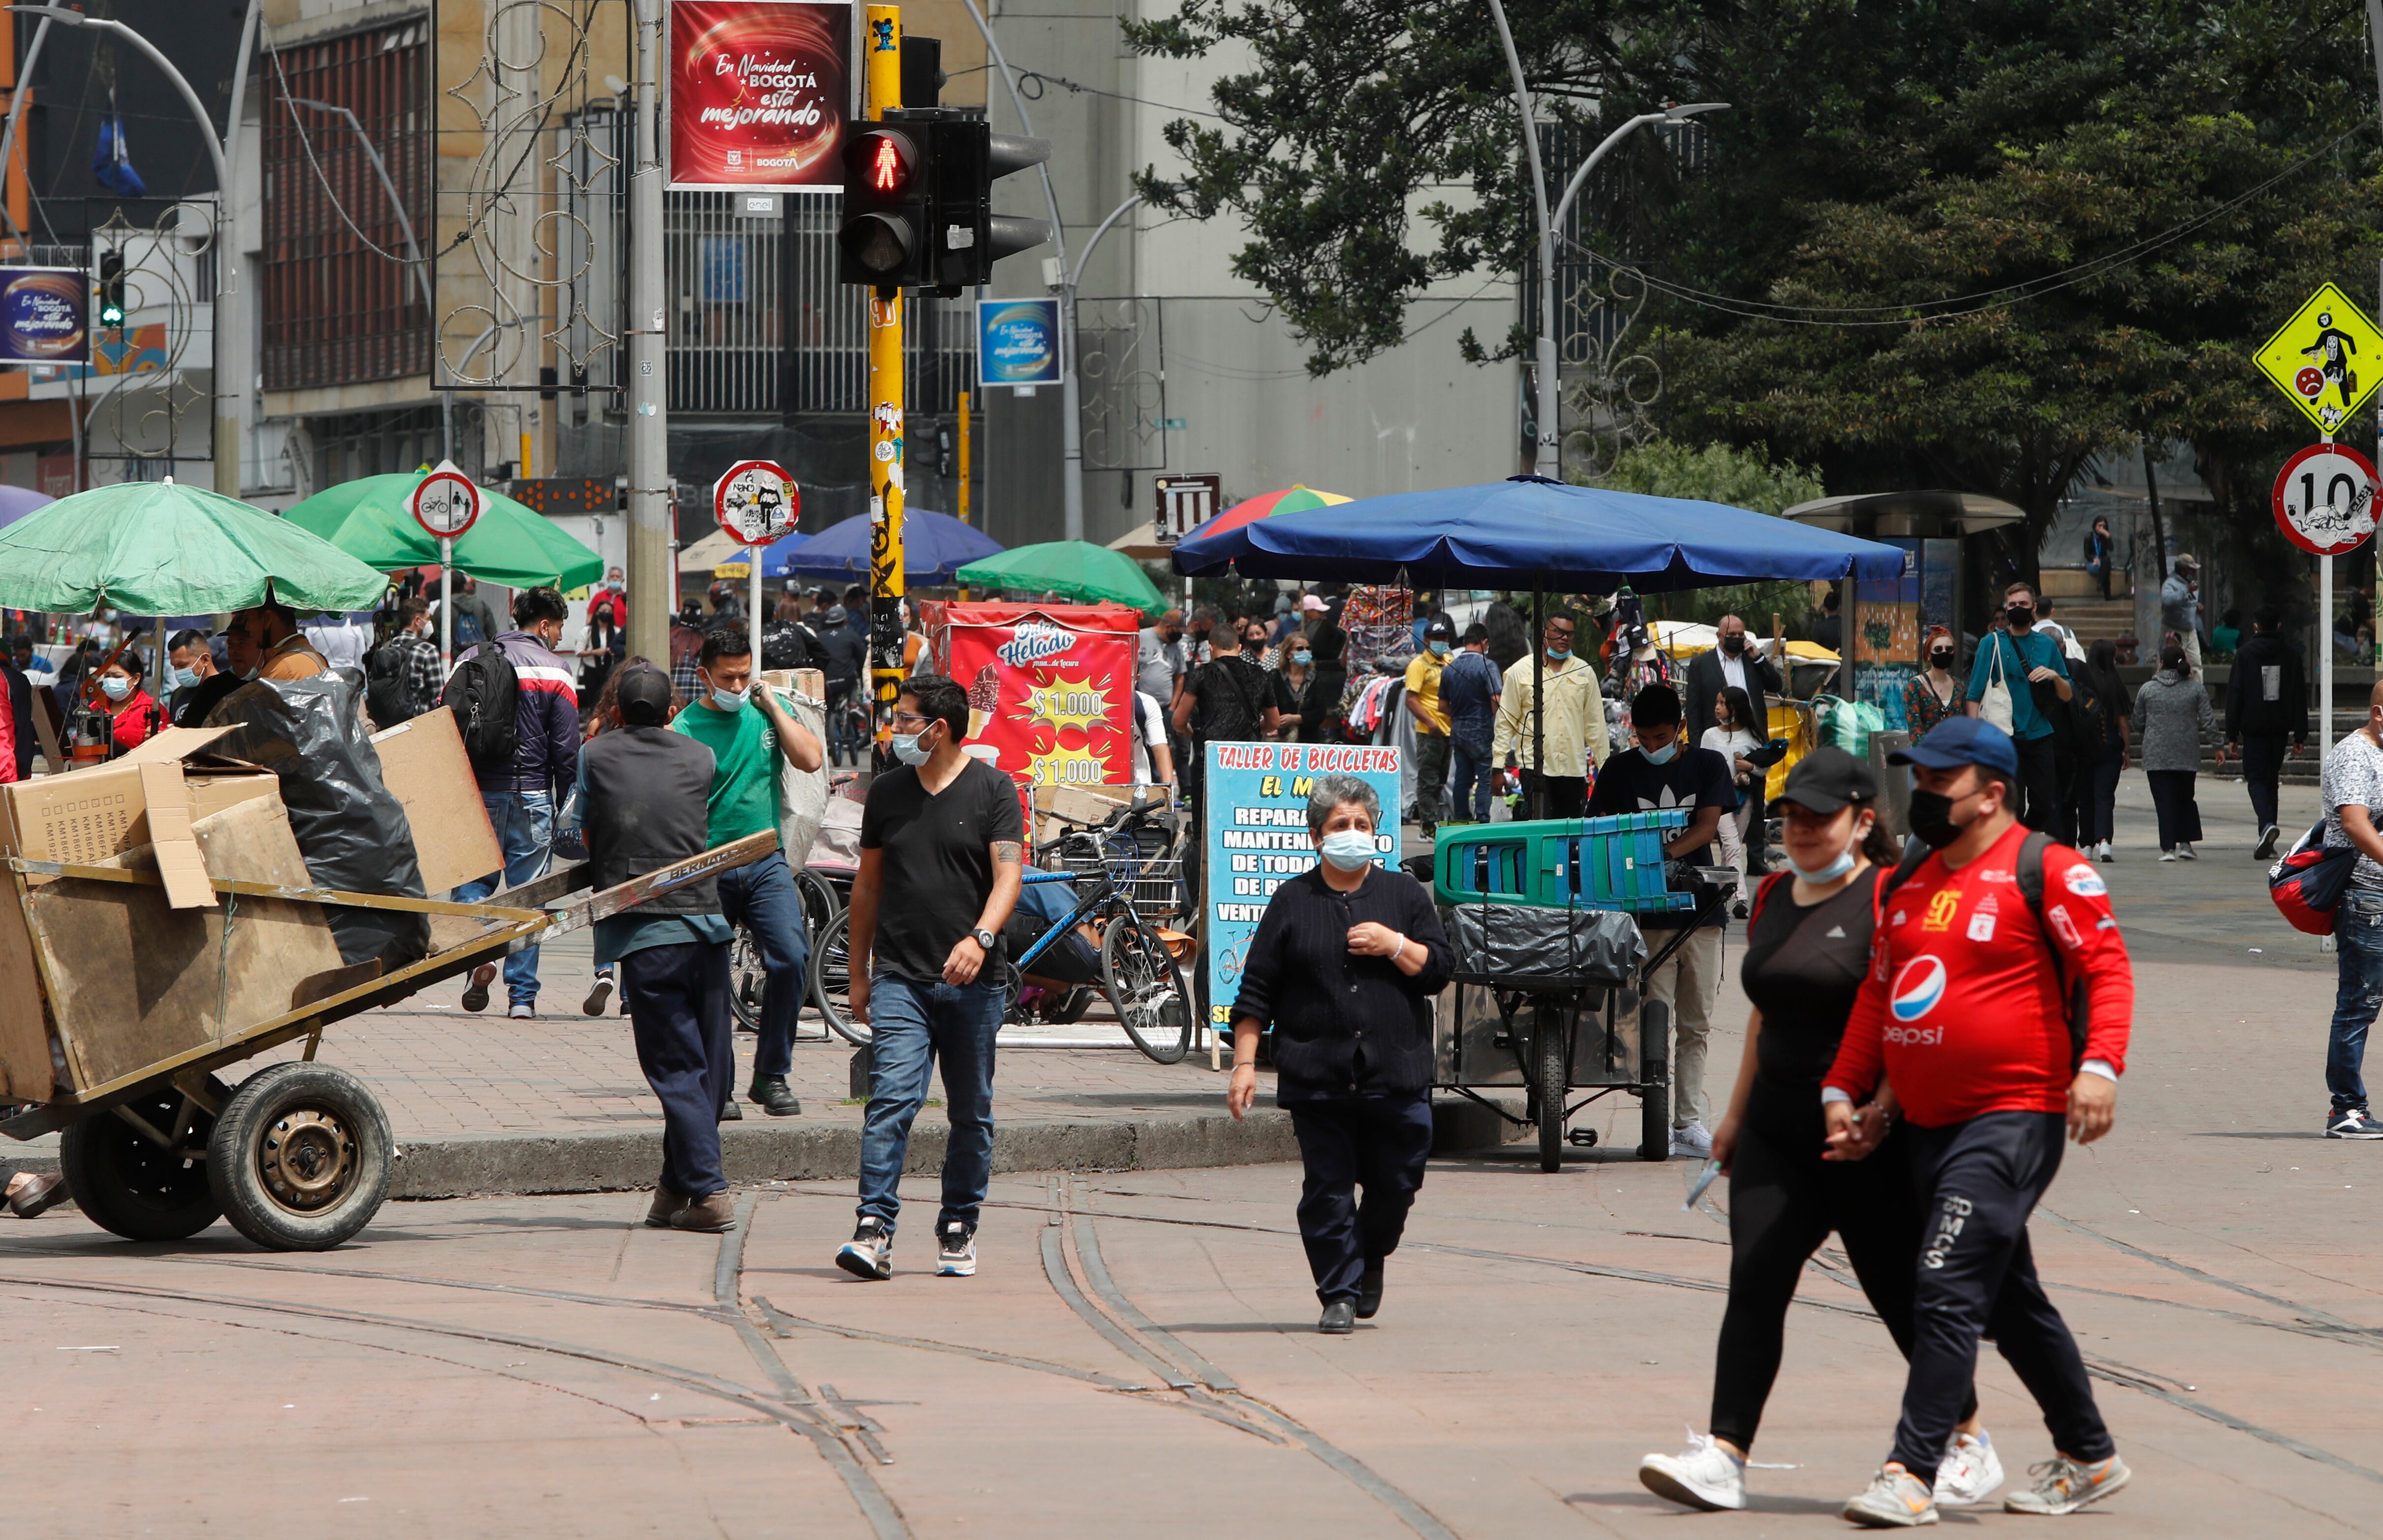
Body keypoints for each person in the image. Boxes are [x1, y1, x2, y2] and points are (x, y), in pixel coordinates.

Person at [1637, 750, 1999, 1514]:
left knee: (1896, 1293)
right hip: (1774, 1132)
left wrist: (1883, 1112)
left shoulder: (1891, 899)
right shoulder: (1773, 893)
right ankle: (1724, 1456)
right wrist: (1732, 1118)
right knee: (1755, 1281)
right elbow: (1763, 1018)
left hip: (1864, 1136)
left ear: (1862, 822)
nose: (1800, 831)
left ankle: (1967, 1438)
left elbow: (1915, 1016)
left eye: (1818, 818)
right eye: (1790, 817)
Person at [1823, 714, 2133, 1526]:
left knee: (1945, 1282)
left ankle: (1911, 1472)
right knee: (2008, 1299)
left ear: (1991, 794)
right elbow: (1878, 998)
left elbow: (2106, 970)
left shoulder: (2047, 869)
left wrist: (2098, 1067)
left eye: (1939, 783)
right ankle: (2090, 1454)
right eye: (1918, 780)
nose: (1922, 795)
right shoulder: (1908, 880)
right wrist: (1847, 1093)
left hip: (2013, 1117)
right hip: (1926, 1126)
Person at [1224, 774, 1450, 1333]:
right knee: (1327, 1190)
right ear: (1316, 836)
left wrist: (1395, 945)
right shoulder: (1292, 901)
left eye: (1362, 825)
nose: (1353, 833)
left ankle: (1370, 1252)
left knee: (1397, 1183)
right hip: (1317, 1077)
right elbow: (1257, 991)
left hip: (1397, 1073)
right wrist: (1245, 1065)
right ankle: (1339, 1293)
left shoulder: (1404, 896)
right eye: (1340, 825)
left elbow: (1439, 971)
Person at [836, 675, 1025, 1281]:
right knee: (891, 1099)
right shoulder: (887, 792)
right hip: (900, 976)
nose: (895, 730)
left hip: (976, 983)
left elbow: (1009, 877)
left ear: (938, 729)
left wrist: (980, 938)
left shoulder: (994, 789)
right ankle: (873, 1226)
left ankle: (958, 1223)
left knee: (971, 1110)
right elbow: (867, 886)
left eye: (905, 720)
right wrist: (858, 974)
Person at [577, 662, 740, 1234]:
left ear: (617, 712)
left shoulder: (595, 755)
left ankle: (708, 1192)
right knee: (708, 1071)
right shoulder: (701, 755)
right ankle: (675, 1190)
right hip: (706, 928)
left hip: (648, 934)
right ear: (673, 711)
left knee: (677, 1068)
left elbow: (584, 834)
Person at [674, 626, 825, 1118]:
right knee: (710, 977)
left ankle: (771, 1075)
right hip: (708, 867)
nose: (737, 686)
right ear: (705, 676)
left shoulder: (766, 714)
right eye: (727, 678)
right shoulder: (685, 729)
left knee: (791, 959)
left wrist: (774, 706)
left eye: (744, 676)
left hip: (764, 860)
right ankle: (718, 1084)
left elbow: (810, 759)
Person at [1587, 683, 1734, 1155]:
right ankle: (1658, 1122)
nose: (1652, 747)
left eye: (1662, 737)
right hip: (1647, 919)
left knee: (1696, 1025)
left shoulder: (1707, 765)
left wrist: (1663, 855)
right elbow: (1599, 829)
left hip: (1702, 915)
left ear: (1681, 729)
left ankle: (1688, 1124)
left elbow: (1707, 827)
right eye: (1644, 738)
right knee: (1654, 1023)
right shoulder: (1618, 770)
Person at [449, 587, 582, 1019]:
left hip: (478, 795)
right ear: (543, 625)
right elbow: (566, 749)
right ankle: (522, 998)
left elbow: (446, 722)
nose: (559, 636)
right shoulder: (557, 671)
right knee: (530, 898)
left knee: (472, 887)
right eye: (558, 628)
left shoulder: (471, 657)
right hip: (532, 796)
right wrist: (566, 804)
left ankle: (478, 958)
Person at [2319, 679, 2383, 1139]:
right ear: (2379, 714)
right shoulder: (2355, 755)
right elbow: (2355, 823)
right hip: (2367, 897)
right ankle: (2346, 1109)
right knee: (2360, 1002)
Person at [1963, 581, 2070, 832]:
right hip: (2003, 736)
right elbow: (1974, 695)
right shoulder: (1991, 643)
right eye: (2012, 605)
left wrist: (2055, 676)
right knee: (2013, 806)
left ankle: (2023, 837)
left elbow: (2067, 695)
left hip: (2040, 734)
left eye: (2023, 604)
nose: (2017, 608)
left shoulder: (2047, 645)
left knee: (2044, 803)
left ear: (2034, 609)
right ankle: (2016, 846)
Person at [1493, 611, 1608, 820]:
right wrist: (1497, 768)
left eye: (1569, 634)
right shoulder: (1520, 671)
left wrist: (1606, 769)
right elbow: (1505, 723)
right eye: (1558, 632)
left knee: (1571, 830)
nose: (1564, 638)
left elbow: (1596, 725)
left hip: (1573, 769)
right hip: (1534, 768)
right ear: (1544, 633)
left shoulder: (1584, 672)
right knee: (1541, 828)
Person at [2225, 606, 2308, 860]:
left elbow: (2236, 694)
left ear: (2256, 626)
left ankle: (2266, 825)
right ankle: (2268, 835)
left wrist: (2232, 734)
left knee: (2256, 779)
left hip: (2254, 728)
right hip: (2280, 728)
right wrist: (2300, 734)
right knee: (2271, 780)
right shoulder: (2291, 655)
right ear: (2279, 625)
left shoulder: (2245, 655)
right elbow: (2299, 694)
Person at [1172, 619, 1292, 783]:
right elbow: (1274, 722)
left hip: (1212, 756)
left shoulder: (1202, 674)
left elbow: (1179, 721)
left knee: (1209, 799)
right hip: (1248, 758)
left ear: (1211, 648)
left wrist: (1189, 731)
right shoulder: (1260, 674)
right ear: (1240, 648)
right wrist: (1253, 728)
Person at [2131, 644, 2217, 861]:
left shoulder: (2148, 689)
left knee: (2164, 801)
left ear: (2161, 663)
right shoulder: (2195, 689)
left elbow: (2138, 722)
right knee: (2186, 798)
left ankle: (2168, 848)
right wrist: (2218, 745)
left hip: (2156, 755)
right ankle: (2186, 844)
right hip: (2187, 753)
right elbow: (2208, 720)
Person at [1682, 614, 1783, 774]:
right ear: (1719, 636)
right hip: (1718, 742)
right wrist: (1698, 750)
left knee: (1754, 786)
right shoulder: (1701, 665)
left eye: (1741, 635)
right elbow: (1693, 710)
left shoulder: (1752, 661)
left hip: (1752, 739)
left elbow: (1776, 686)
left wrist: (1759, 659)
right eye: (1731, 635)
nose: (1737, 638)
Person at [1701, 685, 1764, 895]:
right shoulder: (1710, 736)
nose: (1717, 707)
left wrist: (1750, 767)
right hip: (1718, 798)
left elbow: (1764, 768)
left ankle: (1720, 893)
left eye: (1722, 703)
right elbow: (1702, 770)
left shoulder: (1752, 737)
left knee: (1732, 847)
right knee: (1732, 845)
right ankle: (1740, 896)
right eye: (1717, 703)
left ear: (1735, 708)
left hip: (1744, 798)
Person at [2073, 639, 2131, 863]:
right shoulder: (2116, 684)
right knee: (2105, 796)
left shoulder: (2083, 682)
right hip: (2111, 743)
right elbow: (2123, 722)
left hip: (2085, 746)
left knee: (2085, 797)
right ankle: (2105, 841)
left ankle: (2086, 845)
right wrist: (2127, 749)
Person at [1439, 623, 1501, 825]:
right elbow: (1496, 699)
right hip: (1483, 732)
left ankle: (1462, 819)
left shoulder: (1449, 669)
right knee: (1484, 779)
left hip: (1459, 732)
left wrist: (1459, 716)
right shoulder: (1488, 666)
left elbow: (1442, 706)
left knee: (1462, 780)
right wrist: (1495, 720)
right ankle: (1483, 820)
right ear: (1485, 642)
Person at [1403, 616, 1456, 836]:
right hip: (1429, 732)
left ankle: (1434, 821)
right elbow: (1411, 700)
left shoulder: (1450, 661)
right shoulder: (1418, 665)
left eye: (1444, 638)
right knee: (1428, 780)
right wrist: (1430, 721)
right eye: (1437, 638)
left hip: (1449, 730)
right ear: (1426, 641)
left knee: (1441, 780)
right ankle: (1428, 826)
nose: (1441, 642)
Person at [366, 601, 442, 728]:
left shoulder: (386, 648)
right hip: (418, 725)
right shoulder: (427, 650)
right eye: (428, 619)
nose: (430, 623)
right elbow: (437, 695)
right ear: (417, 621)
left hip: (388, 726)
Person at [221, 600, 330, 686]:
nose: (248, 627)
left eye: (250, 619)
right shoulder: (309, 655)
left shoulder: (282, 668)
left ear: (268, 619)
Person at [89, 649, 163, 752]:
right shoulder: (97, 707)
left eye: (117, 677)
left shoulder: (152, 708)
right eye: (107, 676)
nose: (110, 681)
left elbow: (166, 744)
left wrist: (155, 739)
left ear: (136, 678)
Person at [1905, 626, 1962, 740]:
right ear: (1929, 656)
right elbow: (1915, 730)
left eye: (1949, 649)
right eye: (1938, 649)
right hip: (1926, 750)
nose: (1944, 652)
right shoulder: (1915, 686)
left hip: (1955, 749)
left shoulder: (1959, 686)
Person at [1297, 625, 1348, 745]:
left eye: (1308, 649)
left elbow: (1320, 712)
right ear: (1288, 653)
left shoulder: (1314, 679)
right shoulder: (1276, 678)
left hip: (1309, 739)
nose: (1305, 652)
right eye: (1300, 649)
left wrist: (1298, 719)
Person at [2161, 555, 2203, 672]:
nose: (2195, 573)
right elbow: (2167, 601)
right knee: (2171, 662)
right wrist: (2186, 590)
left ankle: (2197, 684)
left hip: (2191, 630)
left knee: (2196, 664)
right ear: (2183, 571)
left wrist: (2198, 607)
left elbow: (2190, 603)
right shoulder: (2170, 584)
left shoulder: (2192, 584)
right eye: (2192, 570)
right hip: (2174, 630)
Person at [1136, 608, 1186, 707]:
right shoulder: (1141, 637)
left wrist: (1173, 708)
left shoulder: (1177, 646)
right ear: (1168, 627)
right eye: (1179, 632)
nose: (1180, 636)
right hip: (1141, 706)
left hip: (1166, 707)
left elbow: (1180, 678)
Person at [2084, 516, 2115, 600]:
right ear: (2095, 526)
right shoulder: (2089, 537)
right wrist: (2093, 559)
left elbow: (2111, 549)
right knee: (2106, 567)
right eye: (2099, 526)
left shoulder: (2104, 537)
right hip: (2093, 562)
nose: (2102, 528)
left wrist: (2108, 537)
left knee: (2107, 561)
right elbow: (2086, 555)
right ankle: (2107, 595)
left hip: (2103, 561)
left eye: (2104, 526)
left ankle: (2100, 583)